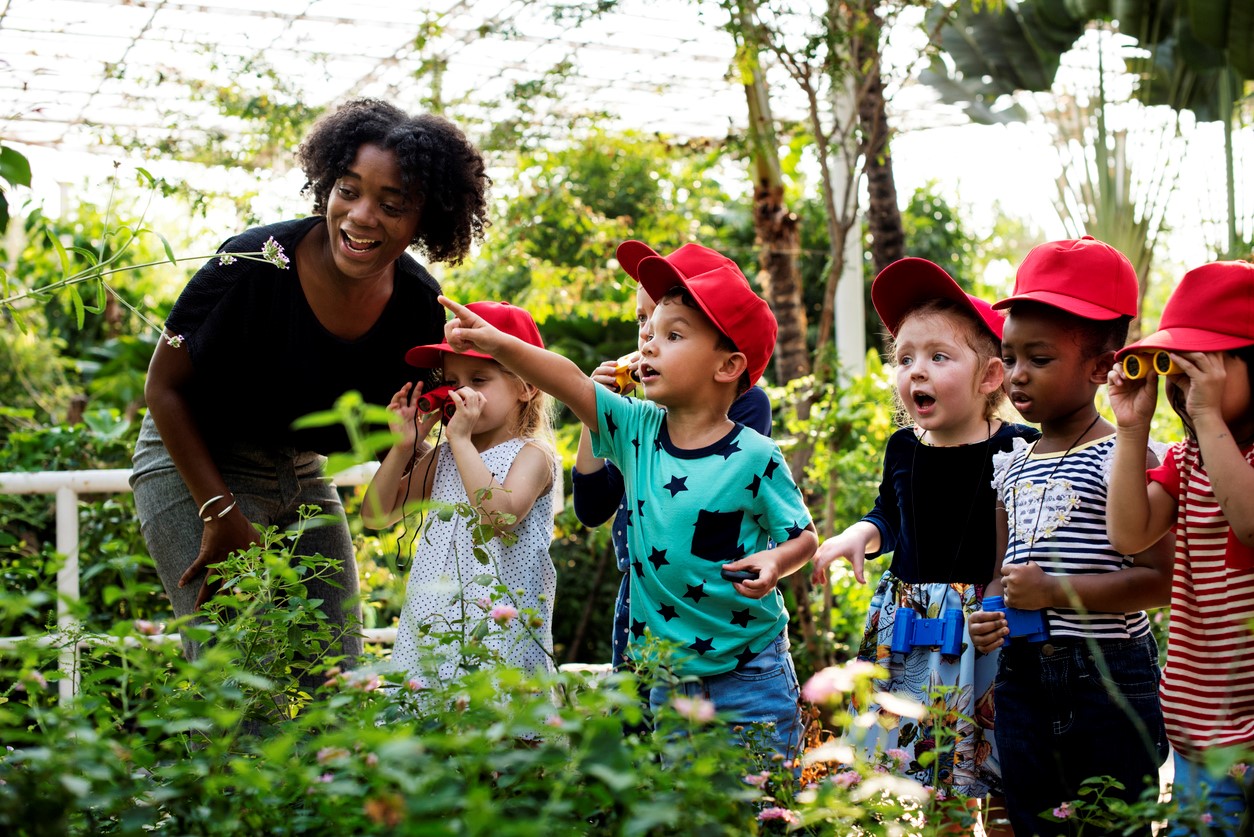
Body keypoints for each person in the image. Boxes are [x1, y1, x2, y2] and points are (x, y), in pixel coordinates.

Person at [131, 99, 491, 670]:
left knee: (336, 672)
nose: (361, 215)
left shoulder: (419, 306)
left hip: (299, 468)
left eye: (392, 204)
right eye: (348, 190)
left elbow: (407, 445)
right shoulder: (250, 263)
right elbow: (163, 388)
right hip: (193, 461)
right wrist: (220, 512)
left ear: (427, 218)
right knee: (238, 672)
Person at [436, 242, 818, 763]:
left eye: (672, 335)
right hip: (662, 673)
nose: (649, 344)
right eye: (650, 330)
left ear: (727, 365)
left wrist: (776, 561)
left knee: (757, 807)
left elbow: (803, 537)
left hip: (749, 672)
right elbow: (567, 380)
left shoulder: (756, 453)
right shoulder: (635, 427)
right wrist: (499, 345)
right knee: (672, 807)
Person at [811, 257, 1034, 833]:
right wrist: (859, 533)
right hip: (911, 624)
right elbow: (891, 512)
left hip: (988, 627)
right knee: (938, 773)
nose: (916, 372)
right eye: (904, 358)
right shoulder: (903, 447)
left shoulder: (1017, 446)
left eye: (939, 357)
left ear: (990, 377)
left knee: (1002, 767)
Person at [969, 237, 1172, 837]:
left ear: (1101, 367)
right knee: (1034, 822)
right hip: (1021, 676)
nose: (1018, 375)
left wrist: (1055, 591)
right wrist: (988, 611)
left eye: (1040, 358)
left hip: (1105, 678)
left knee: (1112, 823)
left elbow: (1158, 581)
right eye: (1010, 356)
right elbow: (1004, 569)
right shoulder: (1013, 461)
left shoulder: (1125, 457)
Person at [571, 240, 772, 671]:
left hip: (713, 605)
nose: (646, 335)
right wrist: (596, 411)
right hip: (643, 594)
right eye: (643, 320)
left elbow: (715, 490)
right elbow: (591, 508)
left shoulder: (747, 406)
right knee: (641, 727)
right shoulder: (636, 417)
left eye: (670, 330)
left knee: (715, 730)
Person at [1106, 260, 1254, 836]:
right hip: (1196, 729)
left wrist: (1209, 414)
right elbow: (1130, 533)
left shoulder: (1225, 452)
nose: (1180, 387)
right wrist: (1131, 428)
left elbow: (1247, 523)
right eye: (1174, 367)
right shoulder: (1187, 459)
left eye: (1201, 367)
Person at [361, 301, 558, 684]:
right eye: (452, 381)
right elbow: (376, 515)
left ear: (527, 386)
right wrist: (403, 447)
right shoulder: (447, 453)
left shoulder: (533, 455)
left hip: (501, 637)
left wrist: (461, 441)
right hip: (434, 628)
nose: (459, 392)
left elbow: (498, 518)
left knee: (502, 734)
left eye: (478, 380)